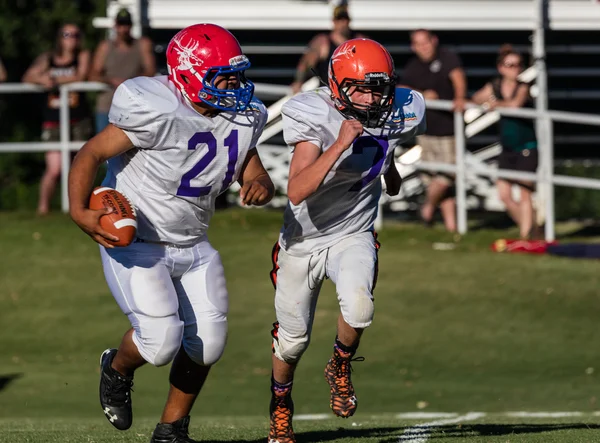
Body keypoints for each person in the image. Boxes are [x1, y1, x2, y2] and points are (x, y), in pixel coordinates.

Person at [68, 24, 273, 443]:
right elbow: (92, 151)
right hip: (139, 241)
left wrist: (260, 181)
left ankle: (171, 430)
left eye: (237, 75)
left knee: (209, 345)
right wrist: (77, 211)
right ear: (189, 73)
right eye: (223, 77)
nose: (234, 86)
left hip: (193, 242)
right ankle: (117, 368)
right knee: (160, 343)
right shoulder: (156, 107)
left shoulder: (241, 115)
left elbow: (246, 157)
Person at [267, 38, 426, 443]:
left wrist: (388, 169)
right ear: (338, 85)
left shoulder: (398, 108)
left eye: (381, 87)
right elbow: (297, 189)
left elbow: (385, 143)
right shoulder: (313, 112)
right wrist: (339, 143)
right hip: (303, 240)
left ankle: (340, 365)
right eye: (365, 88)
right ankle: (280, 406)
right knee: (291, 343)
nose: (375, 98)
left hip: (353, 230)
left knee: (359, 306)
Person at [400, 29, 467, 233]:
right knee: (433, 177)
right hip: (426, 130)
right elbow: (401, 89)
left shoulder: (447, 57)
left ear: (434, 41)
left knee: (447, 176)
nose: (423, 47)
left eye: (425, 42)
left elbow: (458, 78)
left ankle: (427, 207)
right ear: (413, 46)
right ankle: (452, 228)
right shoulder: (414, 66)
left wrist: (460, 98)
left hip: (448, 130)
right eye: (418, 44)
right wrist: (422, 95)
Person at [22, 23, 92, 215]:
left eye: (76, 34)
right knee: (54, 168)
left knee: (81, 165)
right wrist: (41, 79)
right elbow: (27, 77)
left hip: (78, 119)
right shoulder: (48, 58)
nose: (72, 38)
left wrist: (52, 79)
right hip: (53, 120)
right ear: (59, 37)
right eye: (67, 34)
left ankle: (79, 207)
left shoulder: (82, 56)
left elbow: (81, 76)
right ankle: (42, 208)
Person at [472, 44, 538, 239]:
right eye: (510, 65)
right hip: (507, 147)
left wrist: (495, 104)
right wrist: (486, 101)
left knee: (525, 194)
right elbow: (476, 98)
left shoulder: (523, 86)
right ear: (501, 67)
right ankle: (531, 231)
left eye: (518, 65)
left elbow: (516, 105)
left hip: (527, 146)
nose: (514, 69)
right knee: (505, 195)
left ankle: (526, 235)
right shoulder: (495, 86)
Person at [90, 8, 156, 134]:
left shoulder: (142, 44)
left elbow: (150, 70)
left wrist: (130, 82)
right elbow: (93, 74)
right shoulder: (105, 46)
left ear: (131, 26)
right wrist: (111, 80)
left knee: (132, 149)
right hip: (107, 105)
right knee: (106, 149)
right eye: (121, 24)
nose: (123, 29)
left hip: (134, 106)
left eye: (126, 24)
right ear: (115, 25)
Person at [290, 5, 366, 93]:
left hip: (353, 93)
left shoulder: (358, 40)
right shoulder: (323, 42)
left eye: (345, 19)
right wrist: (298, 82)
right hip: (328, 94)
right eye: (339, 20)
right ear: (333, 21)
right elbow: (305, 64)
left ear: (349, 21)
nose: (342, 23)